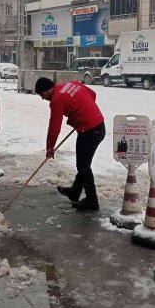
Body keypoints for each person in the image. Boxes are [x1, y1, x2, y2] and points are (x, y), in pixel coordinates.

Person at [35, 77, 105, 211]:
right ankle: (75, 191)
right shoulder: (72, 83)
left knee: (83, 166)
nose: (43, 98)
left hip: (90, 131)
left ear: (48, 90)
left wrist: (50, 147)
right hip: (97, 126)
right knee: (83, 163)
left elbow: (54, 125)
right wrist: (83, 112)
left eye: (42, 95)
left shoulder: (56, 100)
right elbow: (92, 94)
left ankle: (92, 200)